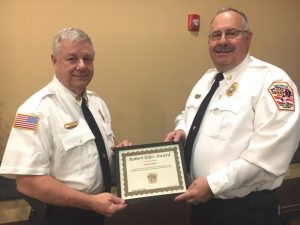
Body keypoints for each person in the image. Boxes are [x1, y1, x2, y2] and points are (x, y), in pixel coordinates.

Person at [165, 8, 300, 225]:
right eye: (215, 35)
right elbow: (188, 114)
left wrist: (213, 185)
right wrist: (182, 129)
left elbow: (266, 157)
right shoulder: (208, 80)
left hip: (247, 212)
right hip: (203, 205)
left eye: (232, 33)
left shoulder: (274, 83)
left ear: (248, 38)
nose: (222, 41)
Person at [0, 27, 130, 225]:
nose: (82, 66)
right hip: (59, 216)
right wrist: (90, 202)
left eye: (87, 59)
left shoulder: (97, 104)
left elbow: (91, 158)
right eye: (72, 59)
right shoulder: (33, 111)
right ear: (55, 60)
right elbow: (27, 183)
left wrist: (120, 154)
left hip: (98, 212)